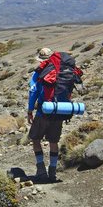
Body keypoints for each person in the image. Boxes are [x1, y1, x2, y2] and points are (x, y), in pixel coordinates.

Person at [27, 47, 74, 182]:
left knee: (36, 139)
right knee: (53, 142)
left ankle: (41, 169)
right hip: (60, 110)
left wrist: (30, 110)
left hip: (44, 111)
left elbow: (33, 92)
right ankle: (52, 172)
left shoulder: (40, 72)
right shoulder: (63, 71)